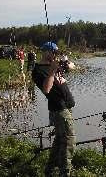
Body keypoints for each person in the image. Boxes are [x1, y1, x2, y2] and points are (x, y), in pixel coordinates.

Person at [31, 42, 76, 177]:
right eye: (53, 52)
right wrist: (52, 71)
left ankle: (49, 170)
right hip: (59, 109)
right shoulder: (38, 70)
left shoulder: (56, 65)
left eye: (56, 53)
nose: (55, 55)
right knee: (69, 142)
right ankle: (65, 173)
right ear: (45, 52)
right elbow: (46, 89)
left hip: (66, 107)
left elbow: (72, 67)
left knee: (59, 141)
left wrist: (66, 62)